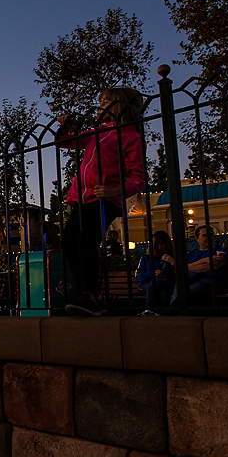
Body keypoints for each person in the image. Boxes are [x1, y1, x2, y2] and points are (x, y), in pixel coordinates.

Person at [57, 86, 146, 316]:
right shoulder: (96, 133)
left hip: (105, 199)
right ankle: (88, 293)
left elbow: (138, 177)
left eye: (106, 103)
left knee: (87, 240)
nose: (100, 107)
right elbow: (65, 142)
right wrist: (64, 125)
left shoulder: (130, 136)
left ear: (120, 106)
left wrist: (114, 190)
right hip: (81, 197)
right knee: (68, 242)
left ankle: (91, 295)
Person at [169, 224, 228, 309]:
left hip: (208, 282)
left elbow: (213, 267)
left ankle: (168, 314)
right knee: (178, 289)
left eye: (211, 235)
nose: (208, 238)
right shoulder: (190, 255)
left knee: (186, 292)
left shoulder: (220, 252)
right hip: (190, 280)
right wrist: (205, 260)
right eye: (204, 235)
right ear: (197, 239)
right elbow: (179, 270)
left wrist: (188, 268)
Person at [134, 231, 176, 316]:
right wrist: (151, 274)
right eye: (157, 245)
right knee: (159, 289)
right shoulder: (146, 257)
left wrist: (171, 264)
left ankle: (151, 312)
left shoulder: (171, 257)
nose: (160, 247)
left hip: (165, 284)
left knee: (160, 288)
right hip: (146, 286)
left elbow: (175, 274)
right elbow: (138, 276)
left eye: (162, 244)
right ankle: (156, 312)